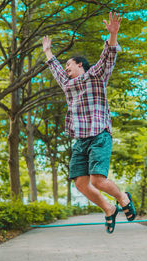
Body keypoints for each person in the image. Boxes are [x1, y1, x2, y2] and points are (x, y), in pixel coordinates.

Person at [42, 12, 136, 234]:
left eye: (69, 65)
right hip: (81, 140)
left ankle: (123, 198)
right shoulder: (67, 84)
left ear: (81, 65)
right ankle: (109, 208)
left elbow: (108, 57)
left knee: (98, 180)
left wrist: (113, 35)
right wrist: (47, 52)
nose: (66, 69)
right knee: (81, 183)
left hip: (99, 135)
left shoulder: (96, 75)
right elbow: (55, 69)